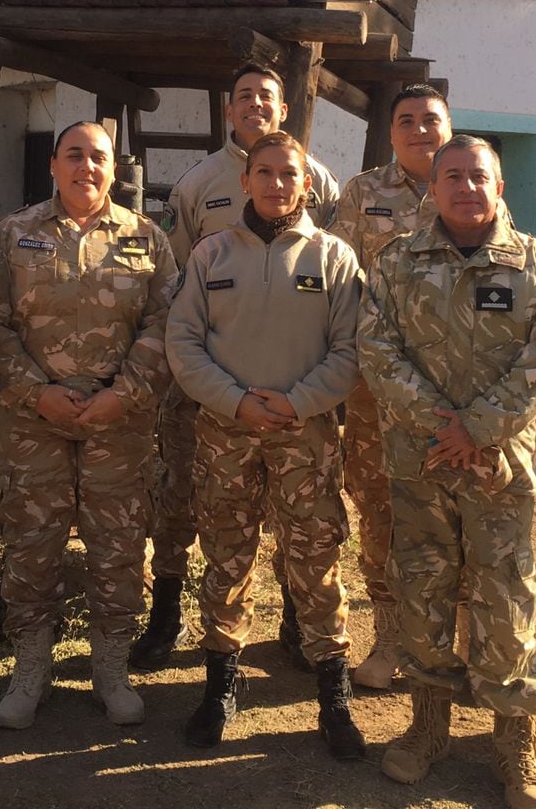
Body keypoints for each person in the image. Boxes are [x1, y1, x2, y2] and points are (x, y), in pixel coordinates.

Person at [359, 136, 536, 807]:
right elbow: (376, 348)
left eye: (478, 176)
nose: (465, 187)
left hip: (497, 468)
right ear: (435, 188)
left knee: (506, 599)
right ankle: (428, 730)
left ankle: (516, 746)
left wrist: (476, 428)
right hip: (420, 463)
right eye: (452, 176)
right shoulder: (395, 264)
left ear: (499, 185)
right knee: (422, 593)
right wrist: (439, 424)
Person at [134, 63, 341, 672]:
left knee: (297, 510)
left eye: (266, 97)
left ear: (283, 110)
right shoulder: (198, 184)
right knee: (184, 499)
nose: (254, 104)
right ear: (229, 112)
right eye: (243, 96)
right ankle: (166, 615)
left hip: (294, 387)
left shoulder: (321, 181)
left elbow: (325, 270)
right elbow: (175, 283)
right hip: (207, 386)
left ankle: (299, 623)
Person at [165, 131, 365, 759]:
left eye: (289, 174)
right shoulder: (210, 254)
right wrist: (235, 400)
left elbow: (351, 351)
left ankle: (333, 696)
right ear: (245, 181)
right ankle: (220, 685)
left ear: (307, 184)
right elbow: (183, 343)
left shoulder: (334, 258)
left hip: (305, 436)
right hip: (226, 432)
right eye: (265, 173)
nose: (277, 184)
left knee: (316, 561)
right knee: (227, 557)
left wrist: (298, 401)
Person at [0, 121, 178, 729]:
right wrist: (33, 392)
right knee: (30, 542)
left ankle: (111, 667)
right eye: (74, 156)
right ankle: (31, 668)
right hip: (33, 420)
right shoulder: (13, 235)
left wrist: (125, 395)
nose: (86, 168)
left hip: (117, 421)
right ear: (53, 164)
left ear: (112, 169)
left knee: (118, 545)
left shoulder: (146, 238)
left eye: (97, 158)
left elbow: (165, 325)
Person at [328, 83, 451, 689]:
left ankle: (448, 642)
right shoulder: (362, 193)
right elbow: (341, 283)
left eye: (430, 119)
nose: (419, 130)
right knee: (379, 509)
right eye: (406, 120)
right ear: (392, 132)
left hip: (456, 390)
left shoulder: (471, 183)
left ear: (449, 126)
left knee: (453, 512)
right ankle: (388, 638)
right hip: (376, 386)